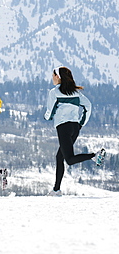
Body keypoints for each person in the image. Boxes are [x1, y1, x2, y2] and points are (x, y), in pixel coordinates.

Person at [44, 66, 106, 196]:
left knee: (69, 160)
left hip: (63, 127)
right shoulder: (76, 93)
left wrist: (47, 116)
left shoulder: (54, 92)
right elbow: (88, 106)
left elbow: (49, 113)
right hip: (74, 127)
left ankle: (94, 156)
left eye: (53, 75)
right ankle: (56, 190)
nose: (52, 78)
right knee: (59, 157)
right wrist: (81, 123)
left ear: (58, 77)